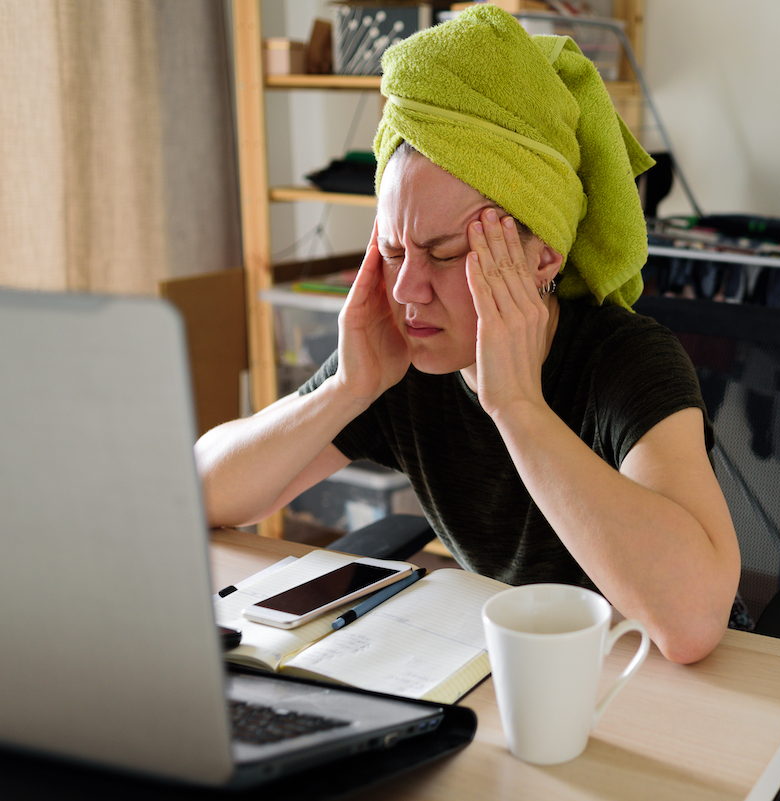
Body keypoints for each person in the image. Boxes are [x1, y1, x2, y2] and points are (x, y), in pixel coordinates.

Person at [195, 5, 739, 664]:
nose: (406, 289)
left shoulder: (626, 361)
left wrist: (517, 407)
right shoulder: (407, 355)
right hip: (510, 672)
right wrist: (346, 387)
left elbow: (692, 621)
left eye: (445, 252)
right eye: (394, 250)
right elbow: (203, 490)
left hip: (644, 682)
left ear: (542, 257)